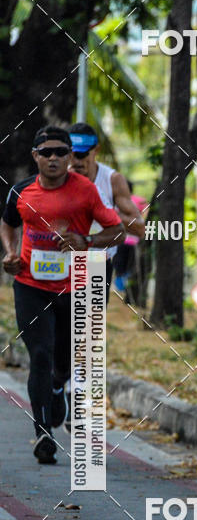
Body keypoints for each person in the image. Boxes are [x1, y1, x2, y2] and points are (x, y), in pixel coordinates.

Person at [0, 125, 124, 464]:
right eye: (47, 152)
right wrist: (10, 254)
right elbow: (7, 222)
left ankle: (58, 387)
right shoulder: (21, 191)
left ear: (70, 157)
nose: (54, 158)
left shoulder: (85, 192)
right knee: (39, 354)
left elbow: (117, 230)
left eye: (61, 152)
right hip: (30, 285)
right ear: (35, 156)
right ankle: (43, 433)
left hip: (75, 286)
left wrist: (88, 242)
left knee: (65, 360)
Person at [68, 123, 145, 299]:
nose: (76, 161)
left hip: (97, 261)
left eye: (82, 154)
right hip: (64, 261)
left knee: (89, 324)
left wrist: (103, 211)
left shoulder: (112, 180)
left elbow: (139, 227)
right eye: (71, 154)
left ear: (96, 150)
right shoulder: (57, 177)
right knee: (60, 323)